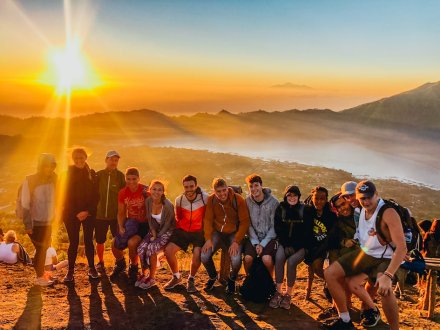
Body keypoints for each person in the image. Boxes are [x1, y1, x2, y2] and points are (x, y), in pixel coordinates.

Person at [323, 180, 407, 330]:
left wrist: (388, 276)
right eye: (362, 198)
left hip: (386, 256)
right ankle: (345, 320)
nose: (366, 201)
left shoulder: (388, 212)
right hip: (367, 253)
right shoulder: (359, 210)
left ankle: (394, 328)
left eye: (369, 197)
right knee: (330, 273)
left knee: (384, 288)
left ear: (376, 194)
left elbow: (402, 248)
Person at [201, 178, 250, 293]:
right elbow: (207, 220)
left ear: (227, 188)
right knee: (204, 256)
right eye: (219, 191)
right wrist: (208, 239)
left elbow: (245, 222)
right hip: (217, 232)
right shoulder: (212, 200)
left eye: (224, 190)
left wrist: (236, 241)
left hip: (233, 233)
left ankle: (232, 279)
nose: (222, 193)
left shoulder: (237, 200)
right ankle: (213, 277)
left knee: (236, 259)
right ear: (214, 191)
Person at [164, 175, 208, 293]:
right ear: (183, 187)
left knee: (197, 254)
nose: (189, 189)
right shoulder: (179, 200)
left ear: (196, 186)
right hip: (183, 231)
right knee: (168, 251)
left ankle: (191, 279)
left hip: (199, 232)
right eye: (186, 187)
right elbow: (178, 217)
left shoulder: (205, 198)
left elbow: (209, 217)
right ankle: (176, 277)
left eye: (191, 186)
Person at [62, 148, 99, 283]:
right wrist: (76, 213)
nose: (79, 160)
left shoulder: (92, 174)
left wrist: (87, 212)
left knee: (89, 241)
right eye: (76, 158)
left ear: (85, 158)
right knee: (74, 242)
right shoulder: (66, 174)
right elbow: (64, 196)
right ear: (73, 159)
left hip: (89, 214)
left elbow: (96, 196)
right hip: (71, 214)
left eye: (81, 157)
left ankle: (91, 267)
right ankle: (70, 271)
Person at [270, 185, 308, 310]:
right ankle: (278, 291)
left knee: (291, 262)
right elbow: (278, 228)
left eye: (295, 195)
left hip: (301, 246)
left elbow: (307, 232)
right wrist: (285, 244)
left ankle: (288, 294)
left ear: (299, 197)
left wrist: (295, 246)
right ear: (286, 196)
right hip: (284, 243)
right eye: (289, 195)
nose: (292, 198)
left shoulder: (304, 210)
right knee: (279, 258)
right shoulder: (281, 208)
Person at [21, 153, 57, 286]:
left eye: (52, 166)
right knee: (41, 249)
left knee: (45, 248)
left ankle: (43, 275)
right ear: (41, 166)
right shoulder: (30, 180)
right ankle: (40, 278)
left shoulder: (54, 178)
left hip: (48, 221)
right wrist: (27, 224)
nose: (49, 169)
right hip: (34, 222)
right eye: (46, 166)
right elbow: (25, 203)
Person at [110, 167, 149, 283]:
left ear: (139, 178)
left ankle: (134, 267)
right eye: (129, 179)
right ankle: (121, 263)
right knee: (114, 243)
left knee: (132, 243)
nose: (131, 182)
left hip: (143, 225)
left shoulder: (145, 191)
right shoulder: (123, 193)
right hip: (131, 223)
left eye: (134, 179)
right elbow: (121, 212)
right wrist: (121, 226)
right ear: (125, 179)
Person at [137, 180, 175, 289]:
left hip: (166, 231)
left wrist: (157, 237)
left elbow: (168, 224)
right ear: (150, 190)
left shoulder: (167, 205)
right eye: (154, 189)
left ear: (163, 192)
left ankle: (152, 278)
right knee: (140, 248)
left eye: (159, 190)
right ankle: (144, 273)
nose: (156, 192)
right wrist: (153, 233)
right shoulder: (148, 201)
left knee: (151, 248)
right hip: (155, 230)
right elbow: (150, 219)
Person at [95, 150, 126, 274]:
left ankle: (119, 263)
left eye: (116, 160)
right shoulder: (99, 175)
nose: (114, 162)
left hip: (115, 216)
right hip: (100, 215)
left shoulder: (120, 176)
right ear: (106, 160)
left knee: (118, 241)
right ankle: (100, 262)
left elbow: (125, 194)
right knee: (99, 240)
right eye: (111, 159)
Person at [243, 174, 278, 277]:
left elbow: (274, 226)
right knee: (248, 259)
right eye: (251, 186)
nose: (254, 189)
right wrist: (255, 243)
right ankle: (248, 280)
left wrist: (262, 244)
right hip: (253, 237)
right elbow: (248, 224)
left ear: (261, 185)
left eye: (256, 185)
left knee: (266, 259)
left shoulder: (273, 202)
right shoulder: (247, 202)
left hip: (269, 238)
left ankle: (270, 281)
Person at [303, 186, 337, 284]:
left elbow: (330, 238)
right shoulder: (307, 211)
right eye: (316, 198)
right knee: (316, 266)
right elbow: (305, 233)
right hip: (311, 246)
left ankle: (332, 283)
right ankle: (331, 282)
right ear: (312, 198)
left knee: (322, 267)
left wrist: (318, 251)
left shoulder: (331, 215)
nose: (319, 201)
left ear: (326, 199)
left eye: (322, 199)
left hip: (325, 246)